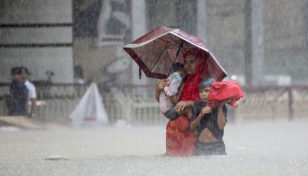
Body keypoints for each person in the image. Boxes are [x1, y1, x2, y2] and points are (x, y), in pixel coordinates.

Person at [155, 48, 208, 157]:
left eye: (192, 62)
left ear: (199, 63)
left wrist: (189, 103)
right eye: (186, 62)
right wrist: (158, 89)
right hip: (174, 130)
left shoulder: (203, 81)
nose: (188, 65)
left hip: (192, 129)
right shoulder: (179, 80)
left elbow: (208, 103)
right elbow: (165, 102)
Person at [190, 78, 229, 155]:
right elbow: (192, 127)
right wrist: (201, 114)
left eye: (206, 91)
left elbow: (221, 126)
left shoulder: (222, 105)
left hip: (217, 145)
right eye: (201, 91)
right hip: (201, 145)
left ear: (214, 91)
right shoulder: (197, 105)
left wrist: (220, 106)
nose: (203, 94)